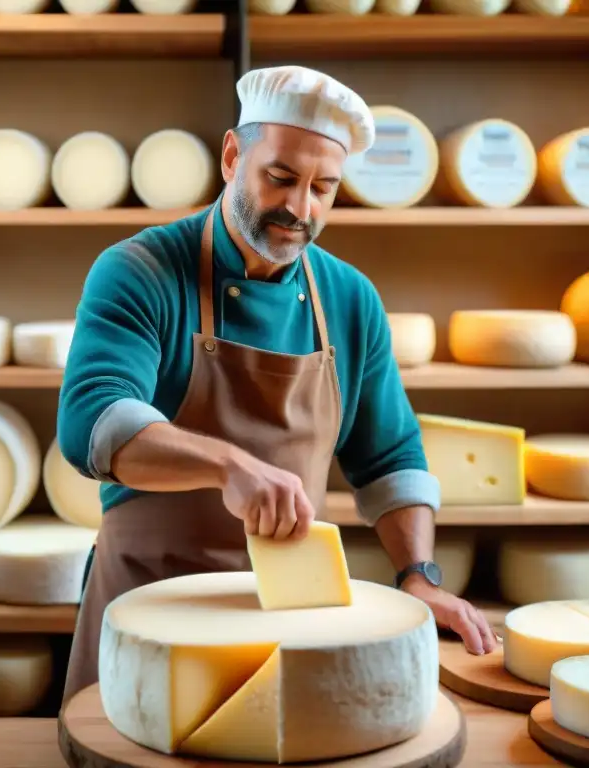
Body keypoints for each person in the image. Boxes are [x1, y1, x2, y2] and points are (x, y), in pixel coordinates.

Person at [56, 64, 498, 706]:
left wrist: (419, 575)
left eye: (325, 188)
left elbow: (390, 458)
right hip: (145, 606)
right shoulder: (141, 270)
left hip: (288, 619)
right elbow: (92, 424)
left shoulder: (349, 297)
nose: (301, 208)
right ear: (233, 156)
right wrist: (228, 464)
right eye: (282, 178)